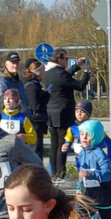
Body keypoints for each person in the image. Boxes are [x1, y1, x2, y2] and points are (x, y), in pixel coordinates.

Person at [46, 49, 90, 181]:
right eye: (66, 58)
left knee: (54, 144)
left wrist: (77, 66)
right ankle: (60, 174)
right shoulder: (60, 74)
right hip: (62, 113)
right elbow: (80, 86)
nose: (67, 60)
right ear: (60, 60)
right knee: (62, 144)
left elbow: (65, 77)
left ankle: (53, 173)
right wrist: (86, 73)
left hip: (51, 112)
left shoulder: (49, 72)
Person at [23, 59, 50, 159]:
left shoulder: (34, 84)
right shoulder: (32, 86)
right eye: (43, 70)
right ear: (38, 72)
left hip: (36, 121)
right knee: (36, 151)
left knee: (37, 150)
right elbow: (35, 106)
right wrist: (46, 95)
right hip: (35, 122)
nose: (44, 72)